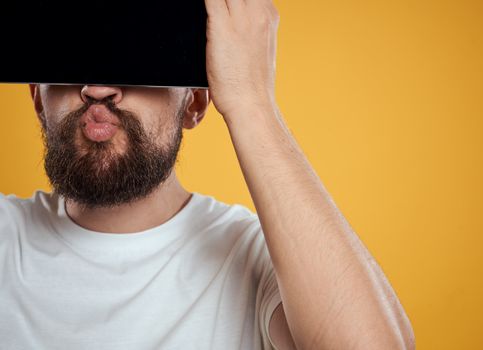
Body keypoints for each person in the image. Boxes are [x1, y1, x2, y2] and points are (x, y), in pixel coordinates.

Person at [0, 0, 415, 349]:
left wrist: (251, 102)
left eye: (139, 52)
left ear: (196, 103)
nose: (97, 88)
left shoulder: (257, 257)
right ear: (37, 98)